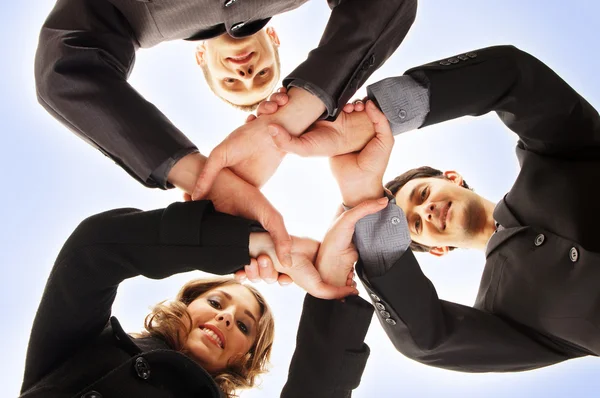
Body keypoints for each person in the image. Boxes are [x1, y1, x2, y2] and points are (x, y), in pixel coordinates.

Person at [271, 45, 600, 371]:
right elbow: (428, 341)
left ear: (453, 178)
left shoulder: (554, 155)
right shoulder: (504, 315)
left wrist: (377, 117)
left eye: (423, 194)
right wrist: (361, 195)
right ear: (438, 249)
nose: (426, 210)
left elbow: (513, 75)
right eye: (415, 223)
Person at [35, 0, 418, 267]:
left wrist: (205, 179)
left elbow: (64, 68)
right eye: (263, 75)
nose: (246, 73)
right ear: (275, 42)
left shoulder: (138, 16)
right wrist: (287, 122)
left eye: (232, 82)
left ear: (202, 57)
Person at [19, 197, 387, 397]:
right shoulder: (85, 347)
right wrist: (255, 245)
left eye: (243, 325)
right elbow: (92, 250)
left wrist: (334, 283)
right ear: (186, 303)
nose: (226, 317)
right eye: (215, 302)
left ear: (246, 355)